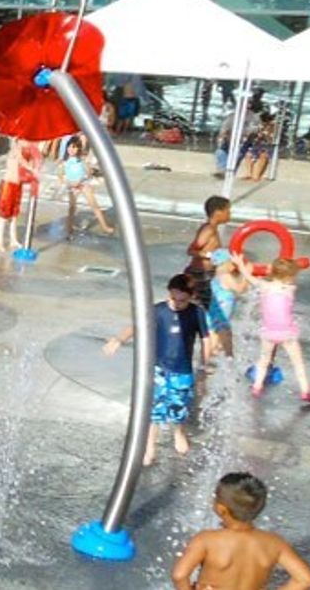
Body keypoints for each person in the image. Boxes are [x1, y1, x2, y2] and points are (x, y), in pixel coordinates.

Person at [104, 274, 207, 466]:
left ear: (191, 296)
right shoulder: (158, 311)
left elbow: (206, 340)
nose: (176, 303)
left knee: (178, 406)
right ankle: (150, 445)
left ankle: (179, 432)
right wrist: (119, 339)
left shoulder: (196, 313)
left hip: (182, 370)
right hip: (159, 368)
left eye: (182, 300)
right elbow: (136, 327)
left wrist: (203, 365)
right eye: (173, 298)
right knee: (154, 409)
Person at [170, 472, 310, 590]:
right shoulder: (275, 542)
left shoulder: (206, 540)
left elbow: (179, 575)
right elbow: (306, 580)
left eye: (215, 497)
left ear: (222, 509)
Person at [234, 254, 310, 407]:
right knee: (298, 364)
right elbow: (289, 273)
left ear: (272, 271)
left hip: (268, 333)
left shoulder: (264, 286)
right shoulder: (290, 288)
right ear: (290, 276)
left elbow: (249, 277)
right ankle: (306, 391)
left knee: (263, 361)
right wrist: (303, 264)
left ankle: (257, 387)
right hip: (287, 333)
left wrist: (240, 263)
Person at [61, 138, 114, 237]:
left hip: (83, 184)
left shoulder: (81, 160)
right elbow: (61, 176)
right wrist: (69, 183)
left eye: (74, 147)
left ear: (79, 149)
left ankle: (105, 227)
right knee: (72, 208)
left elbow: (88, 173)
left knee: (94, 206)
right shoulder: (65, 161)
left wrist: (81, 180)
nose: (71, 149)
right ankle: (69, 228)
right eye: (70, 147)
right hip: (72, 186)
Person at [185, 196, 231, 311]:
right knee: (200, 308)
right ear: (218, 212)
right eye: (227, 210)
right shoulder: (208, 230)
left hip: (207, 274)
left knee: (206, 307)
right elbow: (191, 250)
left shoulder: (212, 229)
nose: (230, 214)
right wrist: (211, 256)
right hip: (200, 275)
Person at [0, 138, 39, 252]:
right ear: (19, 140)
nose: (28, 143)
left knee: (14, 214)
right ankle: (0, 242)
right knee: (3, 215)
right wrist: (31, 168)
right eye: (26, 140)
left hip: (17, 185)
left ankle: (13, 239)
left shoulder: (25, 151)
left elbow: (30, 161)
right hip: (8, 185)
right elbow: (22, 161)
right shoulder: (15, 149)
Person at [205, 248, 248, 360]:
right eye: (232, 262)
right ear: (225, 263)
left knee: (216, 341)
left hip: (212, 313)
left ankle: (209, 363)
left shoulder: (215, 277)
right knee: (219, 342)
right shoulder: (226, 276)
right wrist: (246, 272)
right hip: (221, 315)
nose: (234, 265)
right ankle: (208, 365)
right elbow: (240, 289)